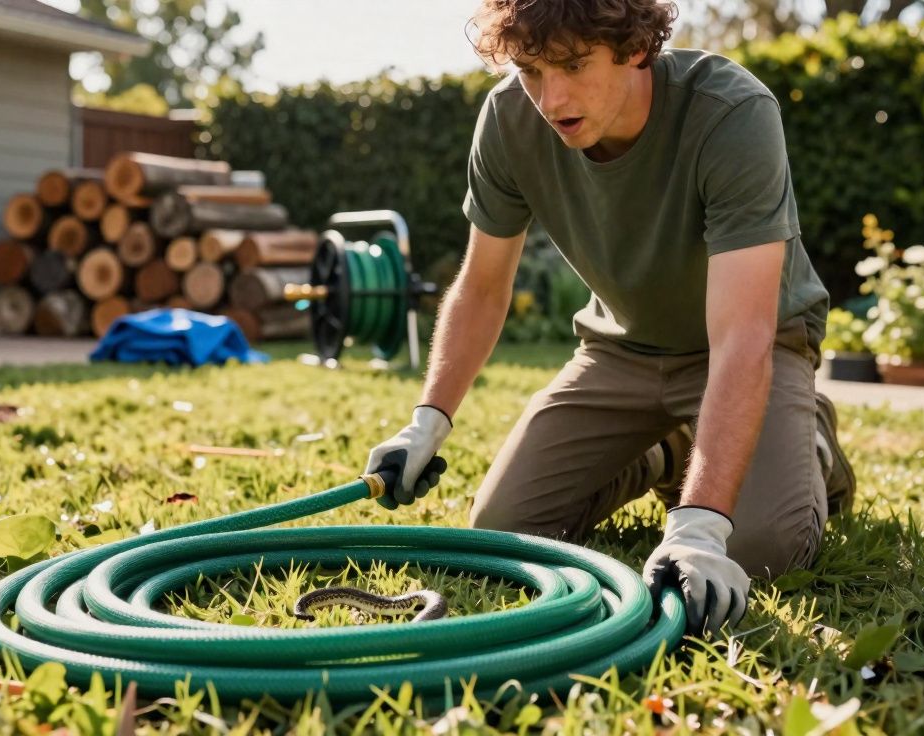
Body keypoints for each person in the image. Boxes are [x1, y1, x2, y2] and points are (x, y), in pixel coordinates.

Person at [363, 0, 856, 638]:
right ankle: (666, 451)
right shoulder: (509, 119)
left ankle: (809, 442)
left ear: (635, 48)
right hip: (619, 353)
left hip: (750, 350)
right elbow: (482, 287)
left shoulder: (732, 113)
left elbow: (743, 334)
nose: (550, 96)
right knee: (502, 535)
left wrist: (701, 523)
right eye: (531, 70)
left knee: (757, 550)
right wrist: (426, 423)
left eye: (572, 64)